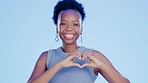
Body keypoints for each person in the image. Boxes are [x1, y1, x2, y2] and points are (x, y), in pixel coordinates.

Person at [27, 0, 130, 83]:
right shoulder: (46, 57)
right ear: (57, 28)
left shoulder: (93, 56)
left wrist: (102, 66)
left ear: (81, 29)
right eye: (63, 23)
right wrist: (59, 65)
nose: (69, 28)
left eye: (75, 24)